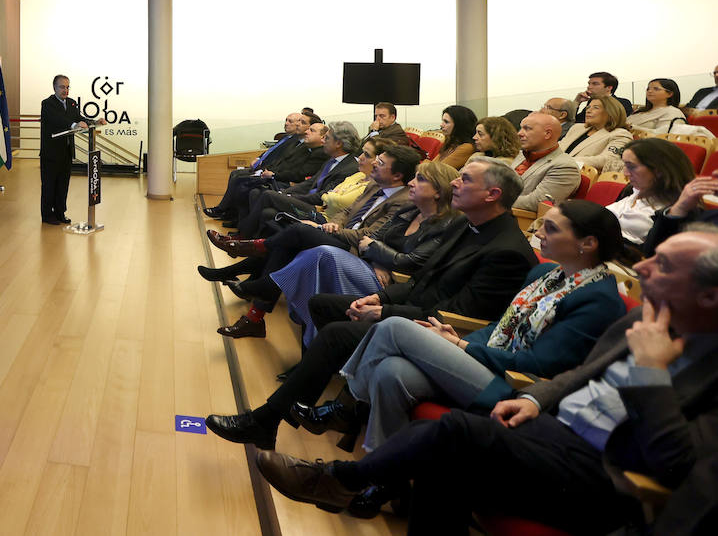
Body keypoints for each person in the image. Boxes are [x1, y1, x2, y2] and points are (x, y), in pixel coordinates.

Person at [252, 228, 718, 536]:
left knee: (453, 431)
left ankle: (343, 478)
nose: (643, 268)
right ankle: (355, 467)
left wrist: (650, 374)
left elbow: (676, 465)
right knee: (439, 448)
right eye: (652, 256)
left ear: (710, 294)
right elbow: (578, 375)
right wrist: (535, 400)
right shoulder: (645, 321)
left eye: (665, 266)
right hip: (552, 426)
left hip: (609, 471)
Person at [203, 156, 536, 449]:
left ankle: (268, 418)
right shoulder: (467, 223)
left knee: (336, 332)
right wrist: (379, 297)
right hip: (409, 306)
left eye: (465, 179)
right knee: (322, 304)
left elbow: (455, 314)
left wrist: (386, 310)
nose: (454, 182)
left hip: (436, 333)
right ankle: (301, 399)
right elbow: (423, 281)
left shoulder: (506, 251)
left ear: (492, 195)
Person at [309, 200, 625, 454]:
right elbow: (501, 325)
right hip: (485, 362)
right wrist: (457, 338)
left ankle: (346, 406)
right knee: (391, 372)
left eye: (551, 229)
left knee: (393, 326)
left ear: (588, 243)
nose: (539, 232)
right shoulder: (547, 275)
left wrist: (464, 348)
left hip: (515, 388)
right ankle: (383, 474)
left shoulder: (598, 299)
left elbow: (541, 365)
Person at [207, 147, 428, 338]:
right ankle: (255, 314)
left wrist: (328, 228)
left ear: (397, 175)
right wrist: (334, 224)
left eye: (380, 163)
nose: (374, 165)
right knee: (286, 241)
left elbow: (369, 236)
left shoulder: (402, 201)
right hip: (337, 233)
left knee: (297, 232)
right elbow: (346, 211)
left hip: (355, 252)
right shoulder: (374, 185)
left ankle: (251, 256)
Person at [263, 159, 463, 347]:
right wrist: (380, 261)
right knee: (314, 255)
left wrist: (378, 253)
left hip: (392, 286)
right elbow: (372, 238)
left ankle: (266, 287)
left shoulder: (448, 225)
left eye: (419, 179)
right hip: (374, 268)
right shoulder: (410, 210)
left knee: (320, 252)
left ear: (438, 191)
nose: (411, 183)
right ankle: (307, 336)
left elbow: (407, 262)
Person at [224, 121, 363, 232]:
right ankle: (252, 240)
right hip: (306, 199)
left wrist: (290, 197)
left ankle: (243, 236)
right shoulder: (332, 160)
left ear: (338, 143)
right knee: (266, 209)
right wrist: (285, 193)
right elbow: (310, 183)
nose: (323, 140)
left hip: (317, 208)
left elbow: (322, 195)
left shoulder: (348, 168)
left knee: (267, 195)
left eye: (327, 138)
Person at [203, 112, 313, 220]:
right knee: (235, 174)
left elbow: (281, 162)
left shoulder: (296, 142)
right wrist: (259, 158)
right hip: (266, 168)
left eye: (291, 121)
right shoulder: (286, 138)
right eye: (286, 120)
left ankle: (224, 210)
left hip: (273, 174)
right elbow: (270, 152)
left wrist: (265, 170)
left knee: (239, 179)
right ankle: (228, 211)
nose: (286, 123)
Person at [609, 137, 696, 247]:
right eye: (625, 165)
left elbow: (654, 253)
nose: (625, 173)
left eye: (631, 167)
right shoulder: (631, 190)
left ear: (659, 170)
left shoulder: (678, 209)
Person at [39, 75, 101, 224]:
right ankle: (47, 215)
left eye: (67, 87)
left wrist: (94, 122)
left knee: (63, 185)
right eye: (62, 87)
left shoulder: (72, 103)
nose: (65, 90)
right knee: (49, 185)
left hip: (66, 152)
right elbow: (57, 119)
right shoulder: (47, 104)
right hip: (51, 154)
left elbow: (79, 117)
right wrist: (73, 125)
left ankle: (60, 213)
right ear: (54, 87)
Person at [511, 111, 581, 211]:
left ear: (547, 134)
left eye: (527, 129)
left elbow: (537, 203)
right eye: (521, 128)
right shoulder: (523, 154)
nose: (519, 133)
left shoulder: (565, 167)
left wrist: (493, 200)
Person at [643, 169, 718, 254]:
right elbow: (652, 252)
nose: (715, 173)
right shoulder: (709, 217)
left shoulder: (708, 218)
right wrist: (679, 209)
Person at [559, 96, 633, 172]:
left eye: (596, 108)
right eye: (588, 107)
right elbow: (557, 148)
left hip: (578, 175)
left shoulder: (621, 134)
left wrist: (565, 161)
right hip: (555, 169)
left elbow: (608, 160)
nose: (588, 111)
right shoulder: (577, 128)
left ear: (611, 112)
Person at [432, 105, 477, 169]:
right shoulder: (451, 143)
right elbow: (432, 165)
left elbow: (438, 170)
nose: (441, 125)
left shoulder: (467, 147)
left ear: (459, 125)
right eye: (442, 121)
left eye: (446, 122)